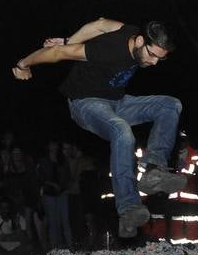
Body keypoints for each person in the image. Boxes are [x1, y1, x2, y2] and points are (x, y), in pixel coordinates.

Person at [11, 18, 186, 237]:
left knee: (170, 105)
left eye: (161, 58)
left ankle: (154, 170)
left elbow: (101, 24)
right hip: (85, 104)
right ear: (140, 41)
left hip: (117, 103)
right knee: (121, 131)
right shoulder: (107, 50)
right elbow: (58, 54)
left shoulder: (131, 31)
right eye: (152, 55)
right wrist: (23, 64)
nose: (154, 63)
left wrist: (68, 39)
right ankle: (128, 208)